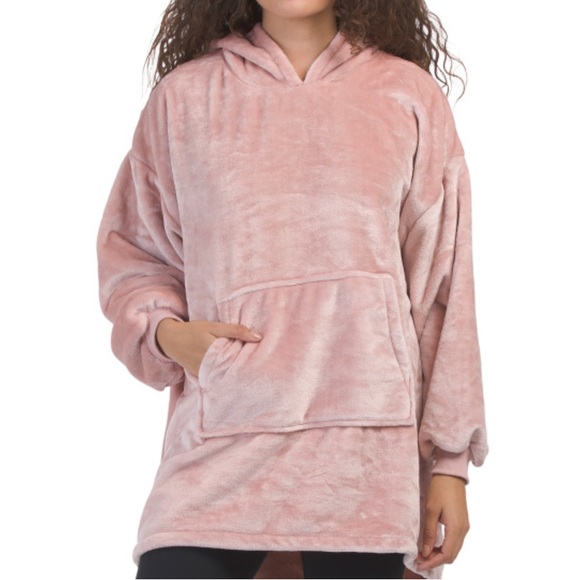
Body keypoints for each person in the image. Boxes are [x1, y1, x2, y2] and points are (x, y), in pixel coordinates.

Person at [97, 1, 488, 578]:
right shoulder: (184, 100)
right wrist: (168, 336)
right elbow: (136, 255)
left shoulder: (407, 96)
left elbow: (443, 293)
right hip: (222, 442)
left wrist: (451, 462)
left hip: (363, 457)